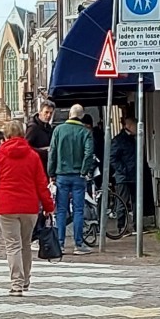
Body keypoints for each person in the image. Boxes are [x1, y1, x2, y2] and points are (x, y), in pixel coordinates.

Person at [0, 116, 52, 296]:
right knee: (25, 244)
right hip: (29, 206)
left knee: (12, 245)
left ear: (5, 137)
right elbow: (41, 183)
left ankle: (16, 284)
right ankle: (26, 280)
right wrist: (48, 205)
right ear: (22, 134)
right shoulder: (32, 155)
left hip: (6, 206)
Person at [49, 102, 97, 255]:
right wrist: (84, 170)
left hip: (61, 175)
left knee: (61, 210)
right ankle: (78, 244)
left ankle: (61, 244)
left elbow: (52, 153)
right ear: (82, 116)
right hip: (78, 176)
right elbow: (89, 153)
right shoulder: (85, 132)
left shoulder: (58, 130)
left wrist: (51, 173)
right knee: (78, 210)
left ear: (70, 114)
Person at [110, 113, 138, 220]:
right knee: (122, 201)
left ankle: (137, 224)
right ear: (130, 126)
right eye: (136, 126)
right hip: (124, 176)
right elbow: (112, 158)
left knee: (136, 201)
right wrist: (123, 170)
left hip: (133, 175)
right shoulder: (119, 140)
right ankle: (121, 226)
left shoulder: (133, 139)